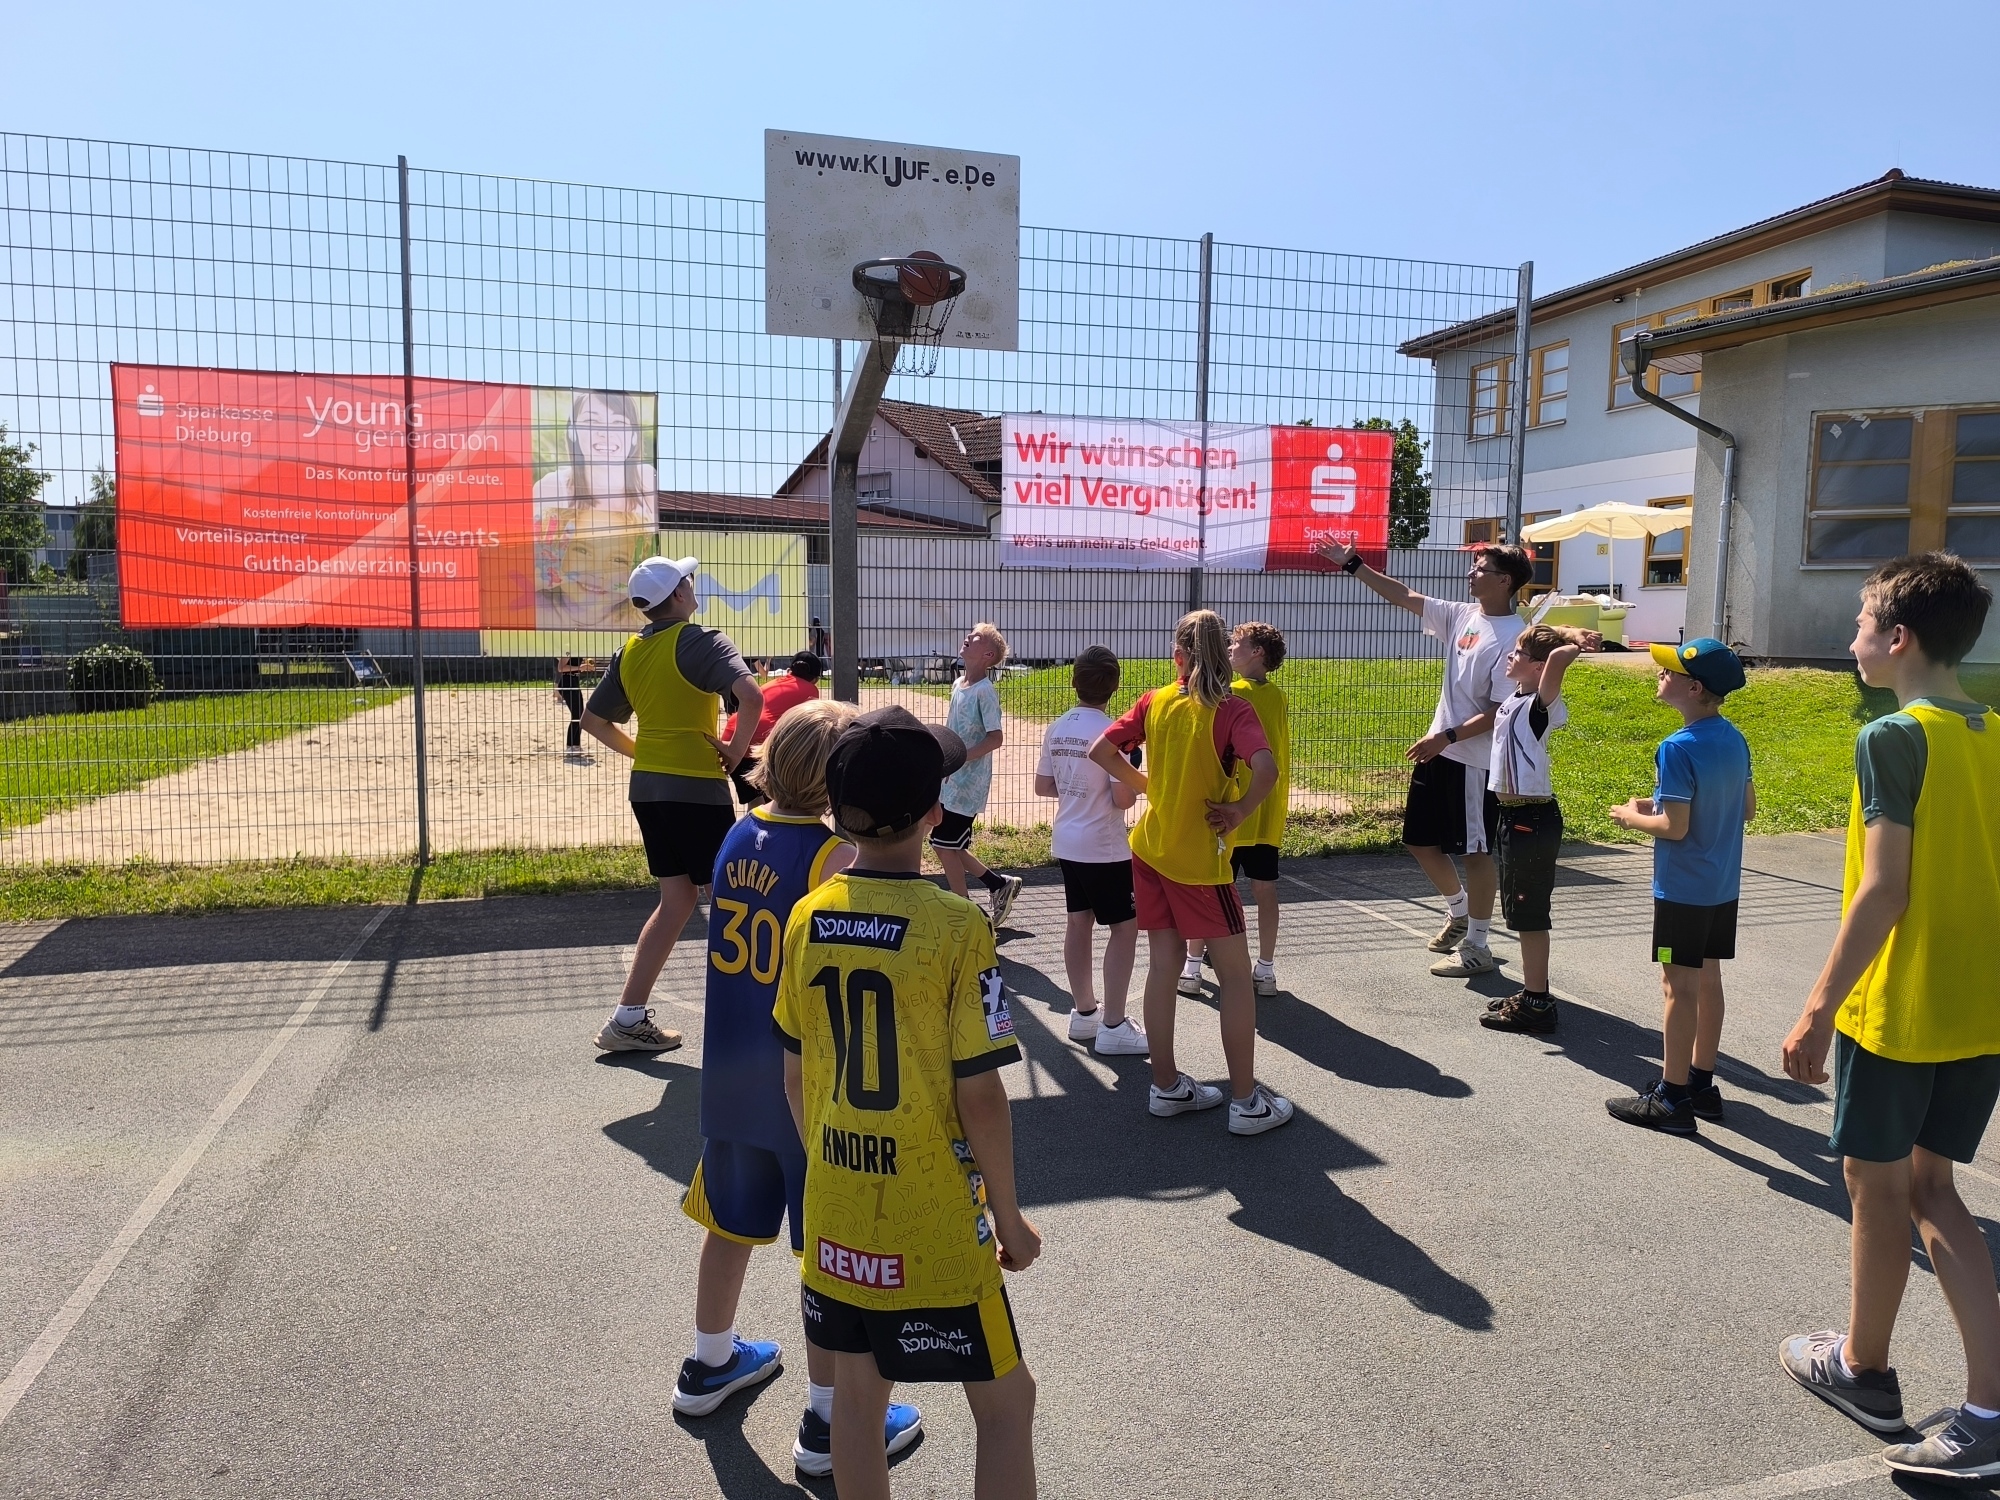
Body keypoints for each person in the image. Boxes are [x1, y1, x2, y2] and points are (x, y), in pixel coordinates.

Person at [776, 705, 1041, 1500]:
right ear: (935, 811)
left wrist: (831, 1166)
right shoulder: (957, 926)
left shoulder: (807, 915)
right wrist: (1008, 1215)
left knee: (857, 1404)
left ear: (834, 809)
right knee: (1006, 1405)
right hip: (934, 1219)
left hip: (836, 1208)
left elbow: (793, 1073)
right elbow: (981, 1094)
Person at [1776, 555, 2000, 1482]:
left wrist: (1818, 1009)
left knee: (1880, 1187)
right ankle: (1962, 1396)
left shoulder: (1893, 737)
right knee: (1934, 1189)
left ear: (1898, 638)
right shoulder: (1994, 733)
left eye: (1862, 624)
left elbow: (1884, 890)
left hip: (1901, 1008)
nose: (1853, 639)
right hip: (1980, 1005)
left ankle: (1870, 1371)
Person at [670, 699, 925, 1476]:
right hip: (806, 1087)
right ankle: (827, 1419)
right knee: (829, 1257)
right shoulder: (831, 855)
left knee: (729, 1225)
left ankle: (710, 1361)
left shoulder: (738, 832)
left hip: (731, 1074)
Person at [1318, 538, 1568, 980]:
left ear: (1504, 581)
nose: (1471, 573)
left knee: (1475, 852)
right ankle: (1459, 911)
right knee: (1419, 841)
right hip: (1440, 748)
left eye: (1481, 568)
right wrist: (1352, 563)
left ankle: (1478, 945)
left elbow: (1500, 711)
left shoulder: (1512, 638)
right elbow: (1404, 595)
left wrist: (1446, 736)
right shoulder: (1462, 614)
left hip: (1472, 761)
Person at [1087, 610, 1292, 1136]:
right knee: (1237, 978)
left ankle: (1166, 1087)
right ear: (1224, 655)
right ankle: (1246, 1102)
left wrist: (1148, 785)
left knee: (1163, 966)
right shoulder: (1233, 708)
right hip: (1199, 862)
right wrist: (1240, 810)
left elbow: (1101, 750)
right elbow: (1266, 769)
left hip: (1151, 850)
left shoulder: (1155, 700)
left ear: (1178, 657)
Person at [581, 555, 763, 1054]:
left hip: (648, 788)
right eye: (690, 580)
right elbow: (751, 696)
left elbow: (593, 722)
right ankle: (749, 1024)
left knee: (677, 900)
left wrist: (646, 752)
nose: (693, 585)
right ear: (680, 594)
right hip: (696, 789)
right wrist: (737, 751)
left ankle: (627, 1018)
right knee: (732, 900)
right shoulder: (703, 640)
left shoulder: (629, 652)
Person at [1602, 637, 1754, 1133]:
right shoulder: (1733, 738)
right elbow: (1744, 807)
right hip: (1721, 885)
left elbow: (1675, 827)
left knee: (1677, 987)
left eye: (1669, 671)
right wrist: (1655, 803)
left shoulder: (1676, 746)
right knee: (1708, 980)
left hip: (1683, 889)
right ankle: (1701, 1083)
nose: (1660, 674)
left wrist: (1631, 817)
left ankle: (1671, 1098)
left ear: (1693, 688)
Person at [1034, 646, 1147, 1055]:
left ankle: (1084, 1013)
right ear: (1115, 686)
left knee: (1078, 923)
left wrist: (1076, 790)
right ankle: (1113, 1024)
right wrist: (1135, 772)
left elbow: (1043, 786)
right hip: (1104, 844)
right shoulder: (1117, 732)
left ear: (1073, 681)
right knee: (1125, 928)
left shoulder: (1058, 726)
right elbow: (1122, 799)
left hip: (1067, 838)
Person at [1476, 625, 1580, 1036]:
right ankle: (1532, 991)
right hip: (1513, 817)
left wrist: (1574, 639)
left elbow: (1559, 659)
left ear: (1539, 667)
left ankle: (1537, 1003)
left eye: (1519, 652)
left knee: (1530, 914)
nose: (1510, 655)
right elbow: (1545, 654)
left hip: (1531, 819)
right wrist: (1548, 636)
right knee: (1520, 912)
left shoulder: (1542, 703)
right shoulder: (1515, 698)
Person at [1181, 621, 1290, 999]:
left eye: (1237, 643)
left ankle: (1191, 968)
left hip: (1231, 807)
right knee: (1265, 889)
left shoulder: (1231, 694)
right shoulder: (1277, 696)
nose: (1229, 648)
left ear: (1257, 652)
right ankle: (1266, 970)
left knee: (1210, 885)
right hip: (1266, 808)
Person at [533, 390, 661, 630]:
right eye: (592, 421)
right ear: (572, 430)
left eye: (618, 422)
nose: (605, 432)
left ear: (634, 436)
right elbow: (538, 563)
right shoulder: (550, 489)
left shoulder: (649, 483)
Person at [934, 623, 1025, 926]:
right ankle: (998, 885)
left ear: (988, 655)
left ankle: (965, 914)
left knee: (944, 845)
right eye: (970, 634)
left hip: (968, 783)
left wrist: (961, 758)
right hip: (950, 778)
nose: (967, 637)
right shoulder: (958, 684)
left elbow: (995, 738)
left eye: (976, 637)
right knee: (949, 844)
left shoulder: (985, 692)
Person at [722, 650, 825, 808]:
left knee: (755, 799)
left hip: (733, 735)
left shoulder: (774, 683)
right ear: (816, 679)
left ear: (790, 671)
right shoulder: (811, 691)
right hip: (757, 742)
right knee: (769, 800)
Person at [555, 654, 599, 762]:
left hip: (573, 681)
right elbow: (561, 668)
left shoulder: (577, 650)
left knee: (580, 715)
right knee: (577, 715)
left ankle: (575, 745)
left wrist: (584, 666)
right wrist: (580, 667)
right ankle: (571, 746)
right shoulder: (568, 650)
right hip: (567, 683)